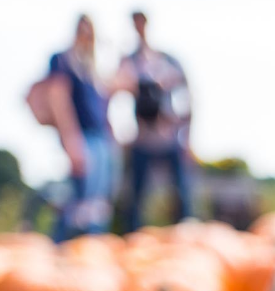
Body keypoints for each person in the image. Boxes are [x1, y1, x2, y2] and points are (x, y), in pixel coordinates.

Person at [118, 11, 193, 231]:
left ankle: (186, 235)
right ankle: (132, 237)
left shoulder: (167, 60)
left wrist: (185, 133)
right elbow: (115, 92)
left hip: (168, 137)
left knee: (181, 195)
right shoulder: (129, 61)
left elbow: (188, 96)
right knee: (135, 197)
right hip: (143, 138)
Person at [46, 15, 119, 240]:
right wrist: (71, 140)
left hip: (100, 138)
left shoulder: (91, 67)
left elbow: (103, 107)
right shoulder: (62, 60)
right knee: (78, 201)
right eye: (83, 31)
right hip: (83, 138)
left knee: (97, 204)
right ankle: (62, 249)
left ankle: (91, 248)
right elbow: (58, 100)